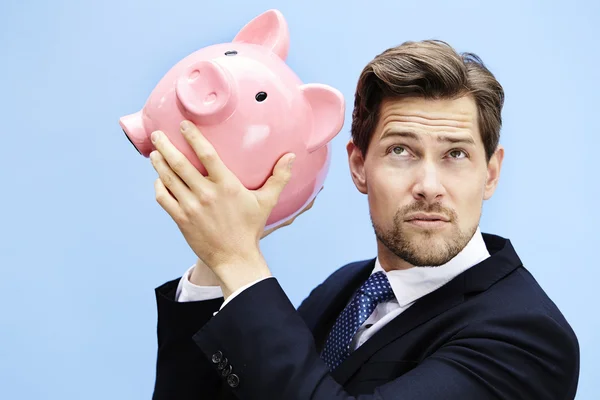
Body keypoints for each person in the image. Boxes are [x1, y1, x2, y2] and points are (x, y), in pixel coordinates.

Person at [147, 40, 580, 399]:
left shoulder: (527, 339)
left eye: (456, 154)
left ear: (490, 173)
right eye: (400, 151)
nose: (429, 185)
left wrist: (238, 258)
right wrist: (214, 257)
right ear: (357, 166)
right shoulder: (344, 289)